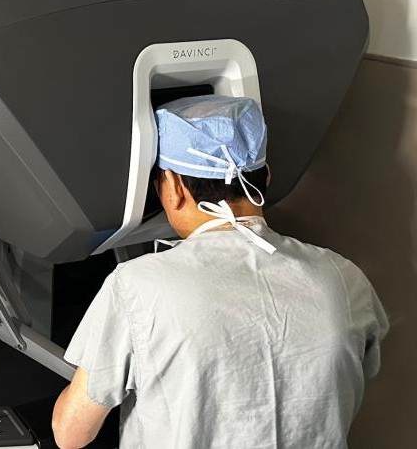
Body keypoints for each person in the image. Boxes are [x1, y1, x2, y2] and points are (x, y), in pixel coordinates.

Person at [52, 95, 389, 449]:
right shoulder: (343, 276)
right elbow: (353, 377)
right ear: (266, 176)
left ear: (174, 188)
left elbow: (71, 434)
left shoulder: (136, 286)